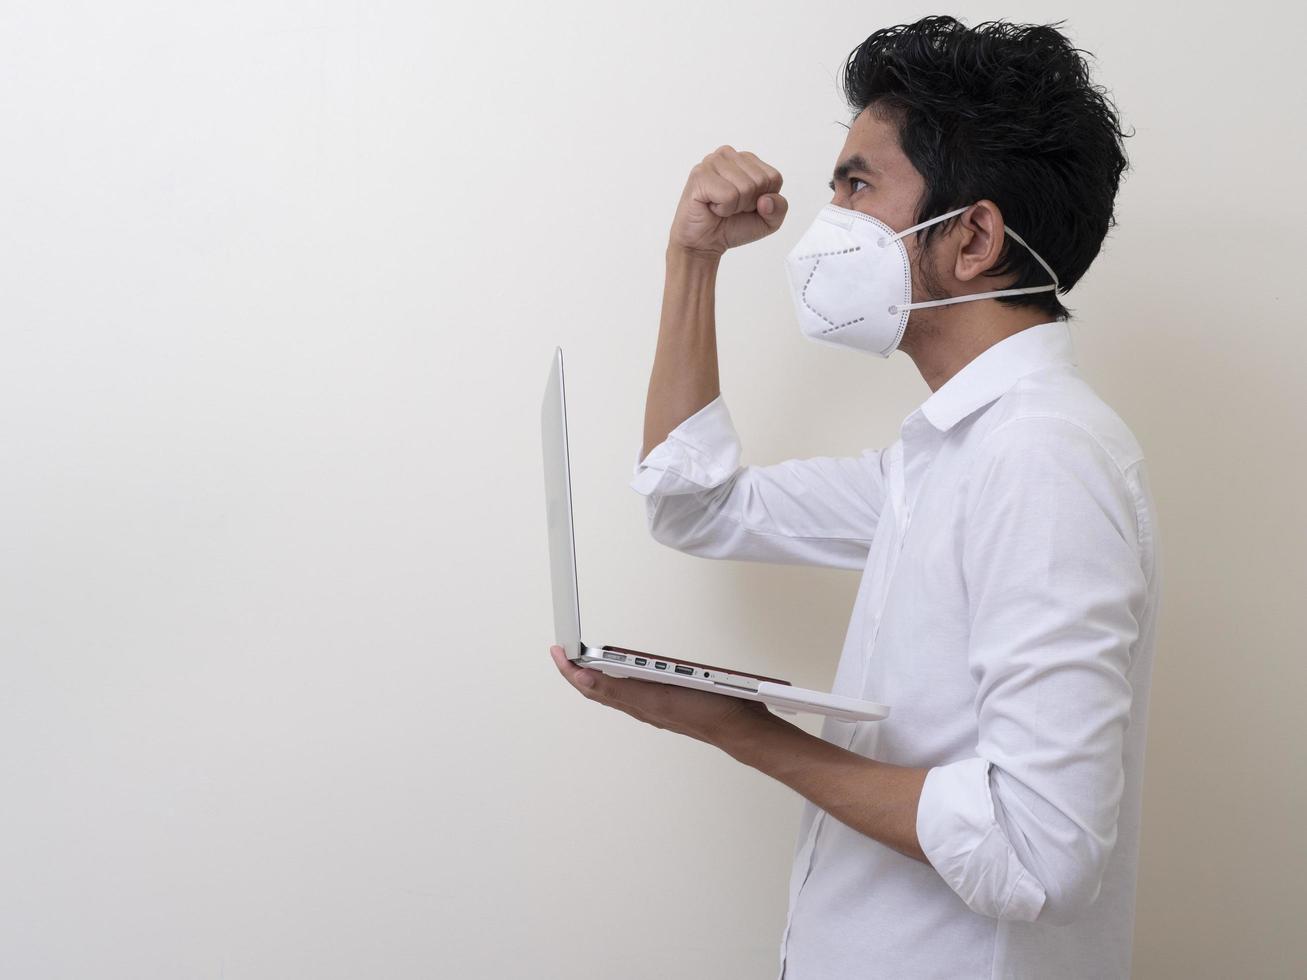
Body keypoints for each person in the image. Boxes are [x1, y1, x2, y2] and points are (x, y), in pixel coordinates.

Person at [549, 16, 1158, 979]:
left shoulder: (1041, 458)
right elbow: (692, 504)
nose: (825, 221)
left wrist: (735, 728)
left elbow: (1042, 854)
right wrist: (691, 258)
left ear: (973, 238)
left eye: (856, 186)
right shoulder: (944, 455)